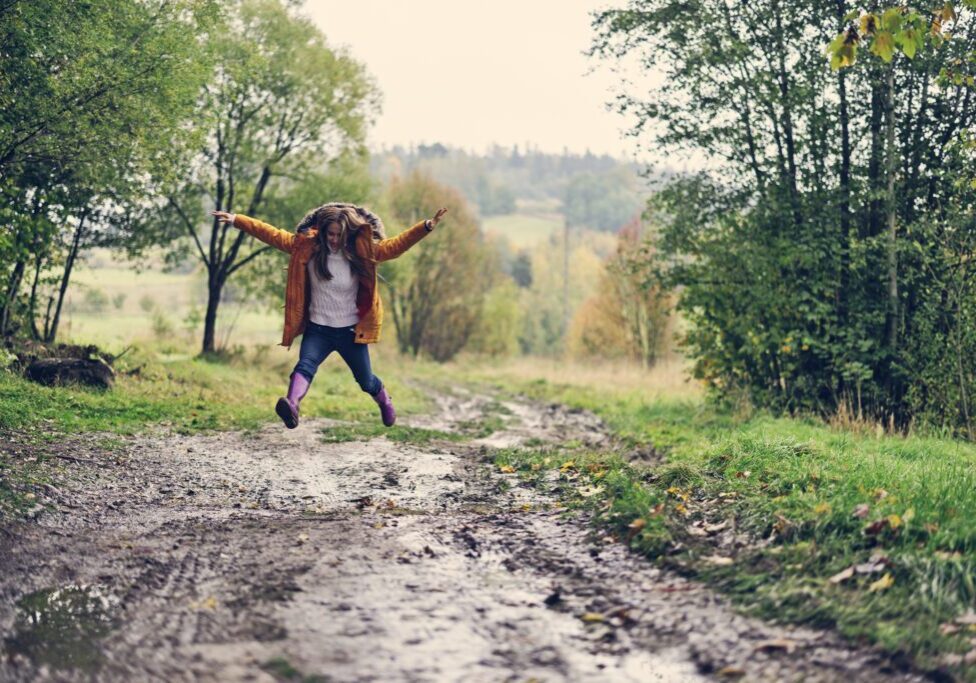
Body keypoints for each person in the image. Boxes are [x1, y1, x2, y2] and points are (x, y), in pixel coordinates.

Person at [211, 203, 447, 429]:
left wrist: (426, 226)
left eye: (338, 235)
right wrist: (237, 220)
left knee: (366, 381)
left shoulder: (362, 251)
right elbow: (271, 234)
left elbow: (396, 246)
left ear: (347, 233)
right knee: (305, 366)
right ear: (322, 232)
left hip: (350, 333)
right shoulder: (306, 246)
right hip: (318, 330)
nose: (333, 239)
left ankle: (384, 400)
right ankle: (292, 406)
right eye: (330, 234)